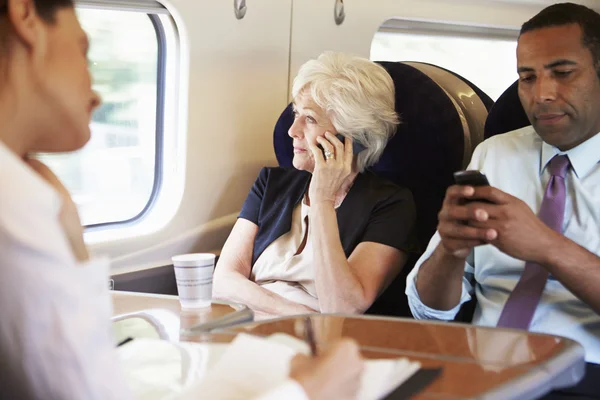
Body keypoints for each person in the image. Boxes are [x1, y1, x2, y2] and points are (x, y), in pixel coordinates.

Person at [0, 1, 365, 399]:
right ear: (25, 15)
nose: (96, 95)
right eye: (84, 51)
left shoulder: (27, 192)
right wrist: (309, 389)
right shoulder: (16, 205)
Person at [406, 3, 600, 398]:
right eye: (527, 77)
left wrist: (546, 247)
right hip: (479, 365)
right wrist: (450, 250)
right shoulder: (494, 154)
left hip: (585, 373)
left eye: (563, 72)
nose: (541, 94)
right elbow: (429, 310)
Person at [213, 52, 417, 319]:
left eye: (309, 119)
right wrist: (297, 313)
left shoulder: (392, 205)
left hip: (323, 343)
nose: (292, 130)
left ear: (352, 136)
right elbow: (223, 281)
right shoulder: (271, 183)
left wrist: (322, 200)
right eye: (296, 114)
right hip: (248, 324)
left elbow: (342, 308)